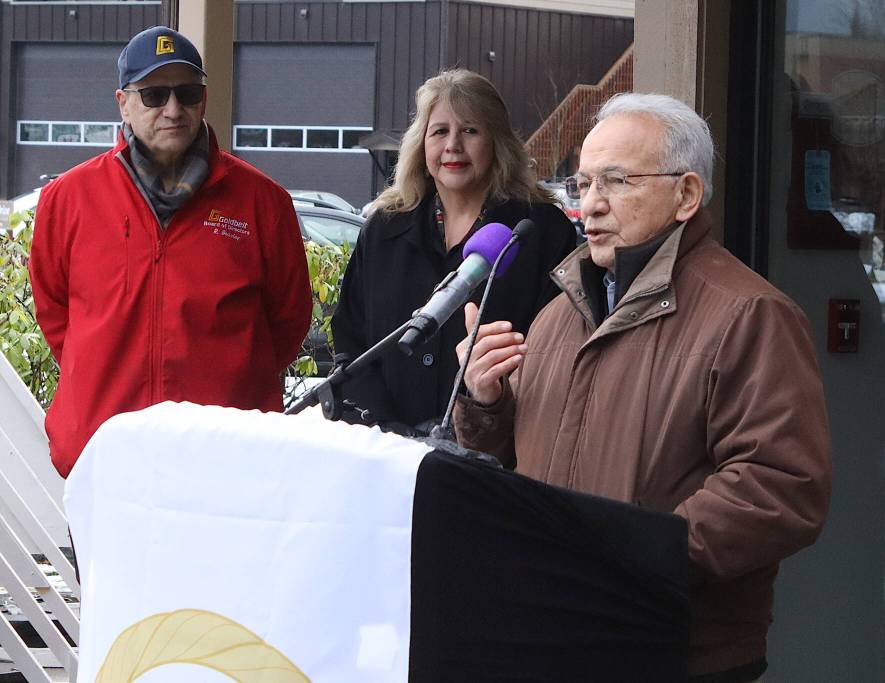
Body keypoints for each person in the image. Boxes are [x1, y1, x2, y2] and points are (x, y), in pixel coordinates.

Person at [454, 93, 832, 682]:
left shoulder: (749, 314)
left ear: (686, 195)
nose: (591, 206)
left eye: (616, 181)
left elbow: (781, 487)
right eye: (581, 185)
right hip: (552, 632)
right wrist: (485, 398)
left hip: (674, 647)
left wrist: (636, 556)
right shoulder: (561, 311)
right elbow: (516, 451)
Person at [30, 26, 312, 478]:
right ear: (123, 102)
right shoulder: (68, 198)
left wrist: (230, 380)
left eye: (187, 93)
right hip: (104, 456)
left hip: (224, 459)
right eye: (154, 95)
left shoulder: (262, 202)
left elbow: (288, 318)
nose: (174, 109)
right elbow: (55, 311)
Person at [329, 69, 577, 434]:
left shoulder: (541, 232)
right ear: (421, 144)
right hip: (387, 447)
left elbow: (555, 354)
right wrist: (386, 428)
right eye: (440, 131)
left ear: (497, 143)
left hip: (499, 449)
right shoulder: (384, 228)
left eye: (471, 131)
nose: (453, 146)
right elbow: (351, 339)